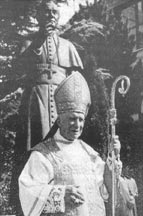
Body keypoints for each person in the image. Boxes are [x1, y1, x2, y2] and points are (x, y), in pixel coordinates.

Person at [18, 71, 122, 216]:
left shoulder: (90, 153)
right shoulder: (43, 154)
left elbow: (106, 192)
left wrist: (113, 161)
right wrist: (60, 195)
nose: (77, 125)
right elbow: (27, 190)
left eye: (81, 119)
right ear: (59, 121)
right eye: (72, 118)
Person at [14, 0, 83, 152]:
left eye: (54, 12)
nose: (51, 15)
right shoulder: (28, 43)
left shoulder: (68, 46)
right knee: (35, 141)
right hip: (35, 100)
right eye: (47, 11)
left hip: (61, 104)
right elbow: (19, 71)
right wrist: (39, 41)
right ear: (38, 16)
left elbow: (75, 82)